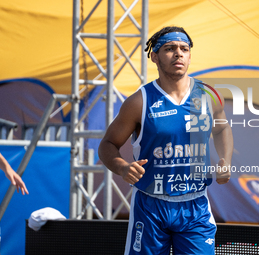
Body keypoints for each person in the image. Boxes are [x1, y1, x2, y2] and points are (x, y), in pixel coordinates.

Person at [98, 26, 233, 254]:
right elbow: (107, 145)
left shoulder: (209, 95)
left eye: (184, 49)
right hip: (151, 206)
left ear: (190, 56)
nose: (178, 53)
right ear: (154, 57)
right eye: (169, 48)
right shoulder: (139, 102)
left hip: (195, 206)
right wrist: (122, 168)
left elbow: (222, 129)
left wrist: (225, 159)